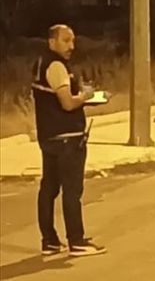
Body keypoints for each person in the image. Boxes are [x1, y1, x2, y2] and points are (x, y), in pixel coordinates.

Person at [32, 24, 106, 257]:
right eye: (65, 40)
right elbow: (67, 103)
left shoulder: (41, 63)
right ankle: (77, 240)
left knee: (49, 189)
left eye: (72, 40)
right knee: (72, 191)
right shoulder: (56, 66)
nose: (71, 46)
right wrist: (85, 96)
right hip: (67, 138)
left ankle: (49, 241)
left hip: (49, 136)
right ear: (52, 42)